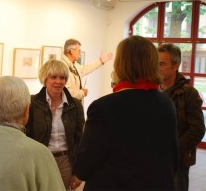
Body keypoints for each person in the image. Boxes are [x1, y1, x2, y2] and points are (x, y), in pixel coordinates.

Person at [71, 35, 179, 190]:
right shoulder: (166, 103)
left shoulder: (105, 107)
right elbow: (172, 157)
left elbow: (87, 157)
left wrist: (78, 174)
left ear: (121, 64)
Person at [26, 59, 85, 189]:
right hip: (40, 159)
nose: (58, 81)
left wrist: (79, 171)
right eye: (53, 77)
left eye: (62, 78)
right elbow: (26, 135)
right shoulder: (32, 103)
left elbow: (80, 139)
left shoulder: (75, 105)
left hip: (65, 161)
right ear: (45, 78)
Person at [158, 43, 205, 191]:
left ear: (175, 65)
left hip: (177, 161)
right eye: (155, 63)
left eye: (162, 64)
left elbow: (197, 129)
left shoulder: (188, 93)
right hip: (153, 158)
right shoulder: (152, 91)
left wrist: (173, 149)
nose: (157, 68)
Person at [61, 38, 112, 102]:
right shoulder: (62, 67)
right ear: (72, 51)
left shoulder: (74, 64)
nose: (80, 54)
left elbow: (85, 68)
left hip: (74, 106)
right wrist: (82, 93)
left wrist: (100, 61)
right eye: (79, 51)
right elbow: (64, 92)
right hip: (67, 109)